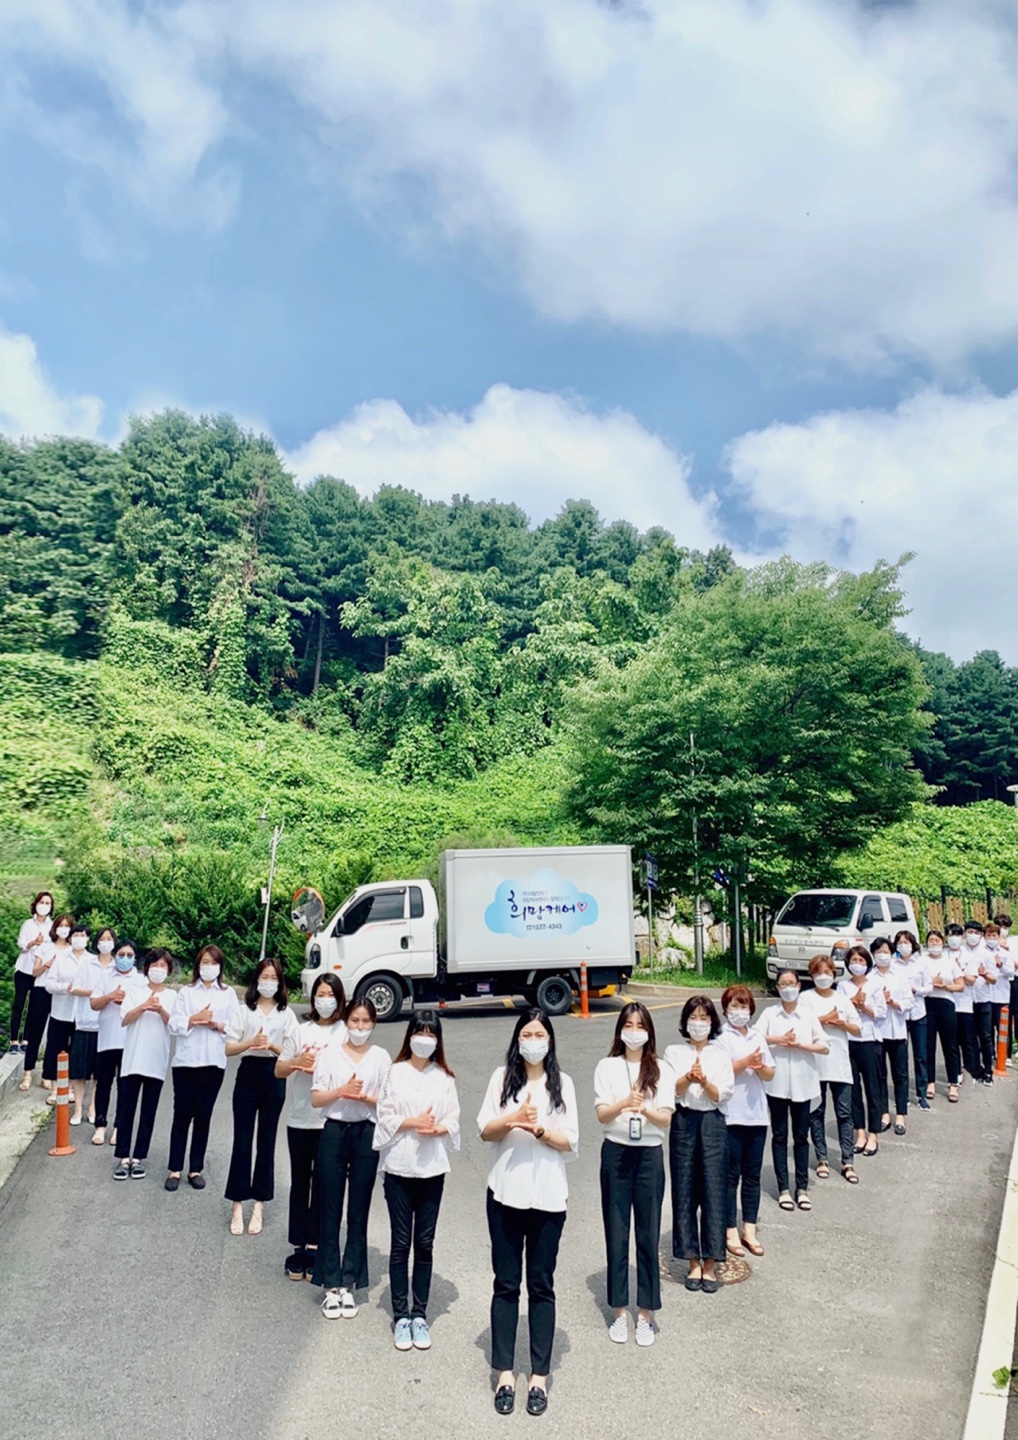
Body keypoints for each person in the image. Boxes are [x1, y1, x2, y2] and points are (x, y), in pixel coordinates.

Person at [477, 1008, 578, 1417]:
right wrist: (513, 1119)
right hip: (505, 1195)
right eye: (527, 1034)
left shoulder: (563, 1083)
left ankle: (538, 1376)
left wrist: (542, 1131)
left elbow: (570, 1140)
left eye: (540, 1034)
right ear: (517, 1039)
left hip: (549, 1199)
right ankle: (504, 1373)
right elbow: (485, 1130)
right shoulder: (501, 1079)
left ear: (550, 1041)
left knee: (541, 1285)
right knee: (506, 1284)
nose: (533, 1041)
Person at [374, 1010, 460, 1352]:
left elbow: (453, 1117)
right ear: (409, 1036)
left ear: (437, 1040)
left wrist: (440, 1128)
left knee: (424, 1243)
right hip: (399, 1167)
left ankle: (419, 1313)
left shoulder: (444, 1077)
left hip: (432, 1169)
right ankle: (400, 1316)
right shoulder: (395, 1072)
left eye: (431, 1033)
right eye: (419, 1032)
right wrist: (413, 1122)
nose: (424, 1039)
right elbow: (384, 1114)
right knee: (400, 1242)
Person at [594, 1002, 676, 1344]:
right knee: (616, 1232)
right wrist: (623, 1104)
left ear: (649, 1031)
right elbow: (601, 1114)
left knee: (648, 1232)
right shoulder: (607, 1066)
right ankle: (618, 1310)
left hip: (649, 1155)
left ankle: (645, 1313)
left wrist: (645, 1109)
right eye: (628, 1025)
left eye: (640, 1026)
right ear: (620, 1030)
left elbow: (666, 1118)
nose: (634, 1032)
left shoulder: (661, 1068)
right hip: (616, 1152)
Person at [311, 998, 391, 1318]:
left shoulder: (380, 1057)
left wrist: (365, 1096)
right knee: (329, 1208)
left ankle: (349, 1281)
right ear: (345, 1021)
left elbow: (388, 1102)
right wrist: (342, 1091)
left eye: (366, 1021)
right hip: (334, 1131)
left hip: (365, 1134)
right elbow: (317, 1098)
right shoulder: (330, 1054)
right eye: (355, 1021)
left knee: (358, 1211)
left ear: (373, 1024)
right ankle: (330, 1284)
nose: (360, 1027)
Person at [276, 972, 347, 1281]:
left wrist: (324, 1069)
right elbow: (279, 1069)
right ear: (313, 998)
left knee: (324, 1183)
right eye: (320, 994)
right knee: (300, 1182)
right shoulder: (301, 1030)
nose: (325, 1000)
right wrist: (297, 1063)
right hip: (301, 1118)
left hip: (332, 1120)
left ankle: (318, 1245)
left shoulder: (346, 1031)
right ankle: (298, 1246)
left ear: (339, 998)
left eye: (331, 995)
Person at [663, 996, 734, 1293]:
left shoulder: (720, 1055)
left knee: (714, 1190)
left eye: (704, 1018)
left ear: (712, 1022)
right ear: (685, 1021)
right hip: (683, 1121)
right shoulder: (674, 1052)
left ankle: (711, 1262)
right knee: (685, 1189)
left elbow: (722, 1094)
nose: (698, 1023)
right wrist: (688, 1078)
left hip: (713, 1123)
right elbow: (670, 1089)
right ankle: (692, 1259)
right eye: (694, 1017)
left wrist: (704, 1081)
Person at [225, 957, 297, 1236]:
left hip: (274, 1074)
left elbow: (292, 1051)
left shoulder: (286, 1014)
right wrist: (251, 1043)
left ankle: (259, 1204)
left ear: (280, 982)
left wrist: (273, 1046)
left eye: (273, 978)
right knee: (242, 1140)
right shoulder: (245, 1010)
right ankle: (237, 1204)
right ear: (257, 979)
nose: (269, 982)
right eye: (264, 977)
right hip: (248, 1073)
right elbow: (229, 1048)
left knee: (266, 1142)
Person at [166, 943, 240, 1191]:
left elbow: (236, 1026)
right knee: (181, 1114)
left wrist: (216, 1024)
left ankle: (195, 1168)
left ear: (220, 966)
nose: (209, 967)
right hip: (186, 1062)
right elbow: (173, 1024)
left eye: (214, 963)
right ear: (198, 965)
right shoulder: (186, 992)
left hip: (213, 1062)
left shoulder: (228, 994)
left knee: (203, 1115)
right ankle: (174, 1169)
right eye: (205, 962)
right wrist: (193, 1019)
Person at [755, 971, 827, 1211]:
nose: (788, 988)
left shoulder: (807, 1014)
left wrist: (800, 1045)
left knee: (801, 1136)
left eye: (791, 983)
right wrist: (779, 1039)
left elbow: (824, 1045)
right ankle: (784, 1188)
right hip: (776, 1084)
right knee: (779, 1136)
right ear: (777, 987)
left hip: (803, 1083)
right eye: (783, 984)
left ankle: (802, 1188)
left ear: (799, 985)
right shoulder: (769, 1013)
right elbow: (755, 1037)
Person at [716, 984, 774, 1258]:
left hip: (757, 1114)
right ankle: (729, 1229)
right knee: (731, 1175)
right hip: (731, 1115)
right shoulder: (720, 1037)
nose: (739, 1011)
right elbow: (720, 1071)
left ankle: (749, 1229)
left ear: (751, 1010)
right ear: (725, 1009)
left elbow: (770, 1073)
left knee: (752, 1174)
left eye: (743, 1006)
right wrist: (746, 1061)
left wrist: (761, 1068)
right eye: (734, 1006)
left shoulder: (757, 1036)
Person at [113, 948, 177, 1180]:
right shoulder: (135, 991)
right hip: (133, 1059)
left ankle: (139, 1157)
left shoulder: (173, 996)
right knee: (126, 1109)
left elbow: (175, 1026)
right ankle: (123, 1157)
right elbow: (124, 1019)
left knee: (148, 1111)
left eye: (163, 966)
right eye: (154, 965)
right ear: (146, 968)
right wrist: (143, 1006)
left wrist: (160, 1010)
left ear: (168, 971)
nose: (158, 970)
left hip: (156, 1060)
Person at [801, 956, 861, 1185]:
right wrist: (826, 1018)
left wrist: (841, 1023)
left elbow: (857, 1028)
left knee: (844, 1113)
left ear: (834, 975)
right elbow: (802, 1025)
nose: (823, 977)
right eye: (818, 972)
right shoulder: (805, 998)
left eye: (827, 972)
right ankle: (822, 1158)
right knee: (816, 1112)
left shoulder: (842, 999)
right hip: (814, 1064)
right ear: (812, 975)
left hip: (839, 1064)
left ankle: (847, 1161)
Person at [840, 945, 887, 1154]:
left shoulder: (875, 985)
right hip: (849, 1041)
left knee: (872, 1087)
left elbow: (881, 1013)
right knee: (853, 1090)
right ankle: (860, 1132)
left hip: (869, 1040)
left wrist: (864, 1006)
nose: (857, 964)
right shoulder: (842, 986)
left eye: (861, 960)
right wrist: (853, 1002)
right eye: (854, 960)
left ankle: (874, 1133)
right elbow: (839, 1010)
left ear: (867, 964)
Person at [90, 936, 136, 1145]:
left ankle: (119, 1127)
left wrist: (126, 1001)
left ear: (135, 958)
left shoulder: (140, 980)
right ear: (115, 956)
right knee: (103, 1084)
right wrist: (110, 996)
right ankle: (100, 1126)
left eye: (129, 955)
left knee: (125, 1086)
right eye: (121, 954)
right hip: (106, 1039)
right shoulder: (105, 977)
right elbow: (94, 1004)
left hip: (129, 1041)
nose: (125, 958)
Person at [69, 925, 115, 1127]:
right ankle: (78, 1109)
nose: (105, 943)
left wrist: (106, 997)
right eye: (102, 939)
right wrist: (96, 994)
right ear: (96, 942)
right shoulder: (87, 964)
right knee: (79, 1071)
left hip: (106, 1027)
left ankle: (93, 1108)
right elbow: (74, 988)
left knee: (100, 1073)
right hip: (85, 1023)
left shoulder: (117, 967)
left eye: (109, 939)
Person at [870, 936, 912, 1134]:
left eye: (886, 952)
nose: (882, 956)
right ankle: (884, 1112)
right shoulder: (869, 978)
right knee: (880, 1075)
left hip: (897, 1030)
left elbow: (909, 1002)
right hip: (877, 1032)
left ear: (892, 954)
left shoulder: (900, 976)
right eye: (879, 952)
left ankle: (901, 1114)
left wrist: (893, 1002)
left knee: (900, 1074)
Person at [20, 909, 65, 1092]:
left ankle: (47, 1076)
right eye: (60, 926)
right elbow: (34, 972)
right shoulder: (45, 947)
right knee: (35, 1032)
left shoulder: (72, 951)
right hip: (41, 990)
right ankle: (27, 1073)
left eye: (67, 926)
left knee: (54, 1036)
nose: (63, 929)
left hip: (60, 994)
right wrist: (47, 965)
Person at [42, 920, 87, 1102]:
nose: (79, 938)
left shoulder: (92, 961)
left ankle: (70, 1088)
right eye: (76, 935)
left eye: (83, 935)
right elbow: (49, 984)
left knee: (75, 1052)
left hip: (82, 1015)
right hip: (60, 1011)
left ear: (88, 939)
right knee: (55, 1048)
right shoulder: (60, 958)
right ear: (70, 937)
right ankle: (55, 1089)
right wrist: (65, 987)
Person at [10, 891, 53, 1054]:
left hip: (40, 972)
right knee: (19, 1005)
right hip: (24, 969)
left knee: (33, 1007)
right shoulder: (28, 924)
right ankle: (14, 1040)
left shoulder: (52, 926)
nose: (44, 906)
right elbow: (21, 944)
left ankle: (26, 1040)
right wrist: (33, 942)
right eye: (42, 902)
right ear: (36, 904)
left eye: (47, 903)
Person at [894, 930, 931, 1111]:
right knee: (901, 1057)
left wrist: (916, 990)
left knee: (920, 1055)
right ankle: (903, 1095)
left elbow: (929, 987)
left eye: (906, 942)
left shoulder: (921, 963)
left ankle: (922, 1094)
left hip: (918, 1012)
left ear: (913, 944)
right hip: (899, 1014)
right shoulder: (893, 965)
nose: (903, 946)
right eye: (900, 942)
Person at [924, 929, 963, 1103]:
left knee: (950, 1045)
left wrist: (945, 986)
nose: (934, 944)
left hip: (946, 1003)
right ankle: (930, 1082)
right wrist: (931, 984)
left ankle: (953, 1083)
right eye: (931, 941)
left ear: (942, 943)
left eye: (937, 941)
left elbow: (960, 985)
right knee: (929, 1045)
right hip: (927, 1004)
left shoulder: (949, 962)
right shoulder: (922, 961)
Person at [952, 922, 981, 1084]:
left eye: (957, 935)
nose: (954, 938)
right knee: (952, 1043)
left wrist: (959, 971)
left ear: (961, 936)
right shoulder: (944, 955)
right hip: (949, 1004)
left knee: (967, 1041)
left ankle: (972, 1071)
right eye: (951, 935)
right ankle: (955, 1073)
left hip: (964, 1005)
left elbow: (971, 980)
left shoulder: (968, 957)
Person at [973, 922, 1001, 1085]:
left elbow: (994, 979)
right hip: (966, 1001)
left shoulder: (986, 955)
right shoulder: (962, 952)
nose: (973, 936)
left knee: (986, 1036)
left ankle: (988, 1070)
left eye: (976, 933)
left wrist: (984, 974)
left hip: (984, 999)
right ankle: (975, 1069)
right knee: (970, 1037)